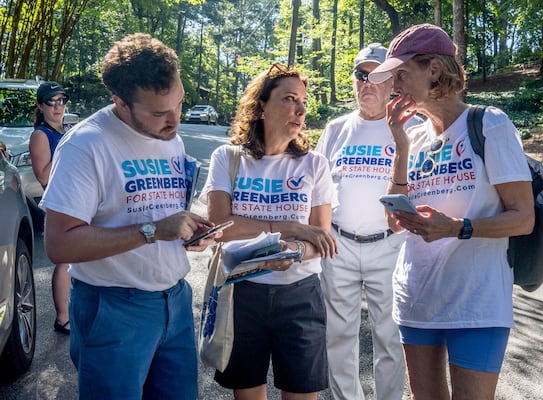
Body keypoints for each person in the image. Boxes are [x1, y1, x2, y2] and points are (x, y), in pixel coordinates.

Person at [40, 33, 219, 399]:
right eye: (159, 113)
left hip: (176, 300)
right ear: (120, 101)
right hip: (113, 309)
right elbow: (59, 244)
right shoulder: (85, 145)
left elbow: (157, 213)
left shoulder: (173, 136)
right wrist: (153, 230)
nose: (174, 121)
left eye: (180, 104)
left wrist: (187, 229)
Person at [366, 23, 535, 399]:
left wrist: (456, 228)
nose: (394, 86)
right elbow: (394, 224)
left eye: (401, 74)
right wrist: (401, 146)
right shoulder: (416, 136)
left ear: (434, 70)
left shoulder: (489, 123)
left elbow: (523, 219)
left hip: (476, 303)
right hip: (417, 298)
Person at [200, 63, 338, 400]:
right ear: (261, 106)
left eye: (303, 101)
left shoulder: (314, 164)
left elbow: (320, 239)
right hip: (241, 295)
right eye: (290, 99)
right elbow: (221, 227)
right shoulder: (228, 158)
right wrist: (289, 229)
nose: (301, 109)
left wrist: (293, 252)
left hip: (300, 296)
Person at [315, 43, 422, 400]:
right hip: (339, 245)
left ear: (394, 82)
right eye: (361, 75)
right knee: (338, 336)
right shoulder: (335, 129)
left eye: (377, 76)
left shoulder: (415, 129)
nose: (368, 83)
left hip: (391, 246)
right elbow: (318, 189)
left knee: (391, 337)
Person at [29, 81, 72, 334]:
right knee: (65, 261)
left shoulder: (65, 130)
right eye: (51, 102)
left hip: (75, 200)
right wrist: (68, 149)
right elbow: (43, 176)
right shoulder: (40, 135)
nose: (57, 107)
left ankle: (73, 312)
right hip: (58, 203)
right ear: (40, 105)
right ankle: (62, 318)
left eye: (61, 101)